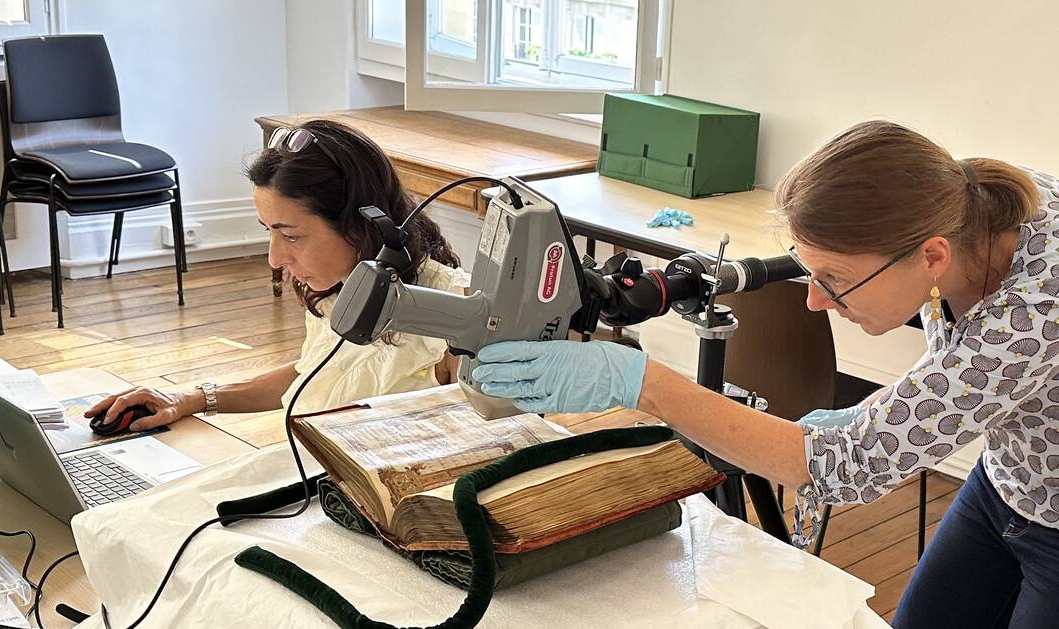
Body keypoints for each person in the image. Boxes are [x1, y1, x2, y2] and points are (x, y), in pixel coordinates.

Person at [472, 121, 1059, 628]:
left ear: (931, 257)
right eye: (812, 275)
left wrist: (643, 382)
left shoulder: (1033, 316)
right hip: (1009, 479)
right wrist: (878, 416)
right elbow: (966, 379)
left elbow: (837, 466)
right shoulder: (969, 210)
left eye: (834, 280)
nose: (815, 302)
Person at [86, 120, 470, 430]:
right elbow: (316, 372)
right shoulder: (344, 288)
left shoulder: (457, 321)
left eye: (290, 235)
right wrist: (192, 398)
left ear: (362, 226)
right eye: (267, 230)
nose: (274, 257)